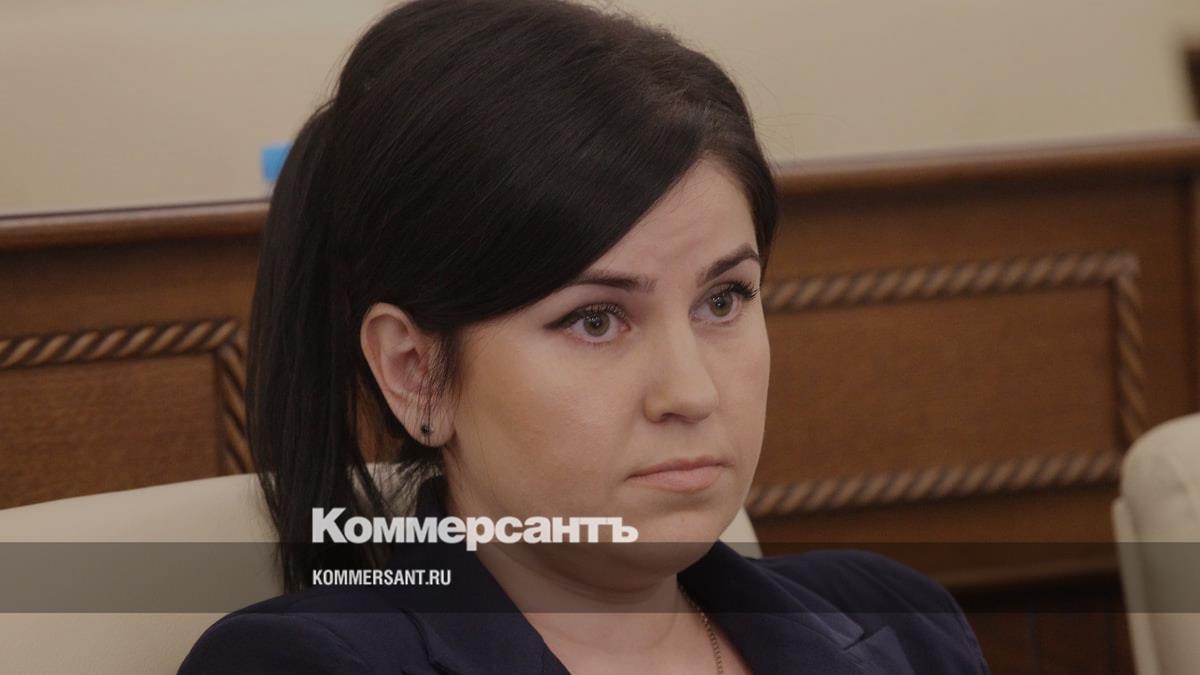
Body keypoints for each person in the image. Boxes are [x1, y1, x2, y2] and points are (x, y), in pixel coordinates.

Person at [179, 0, 990, 672]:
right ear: (414, 370)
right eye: (595, 319)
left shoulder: (899, 620)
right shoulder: (302, 662)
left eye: (723, 299)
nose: (692, 392)